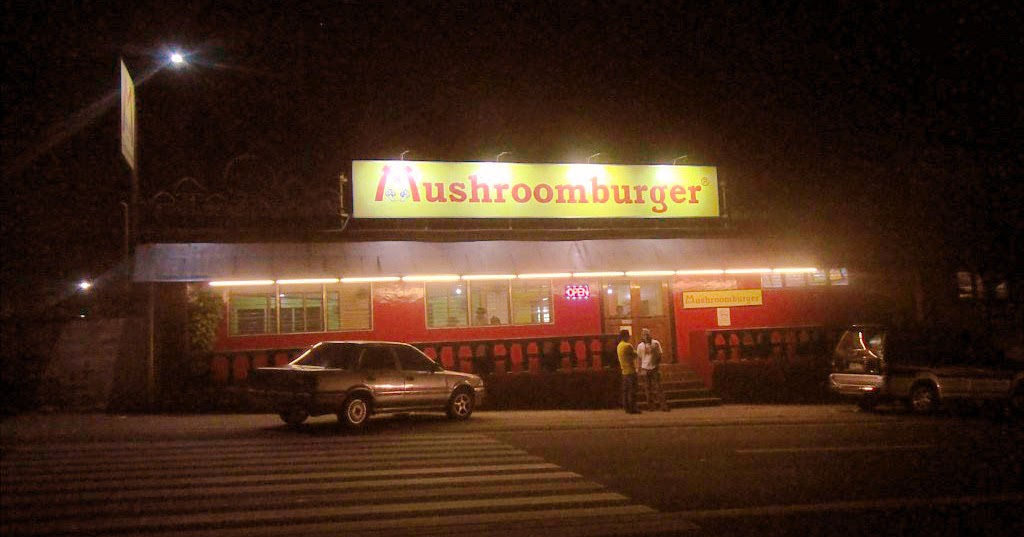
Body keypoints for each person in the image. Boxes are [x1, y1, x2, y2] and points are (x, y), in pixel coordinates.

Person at [636, 328, 670, 411]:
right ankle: (651, 406)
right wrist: (638, 368)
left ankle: (663, 406)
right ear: (642, 336)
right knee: (648, 388)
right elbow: (639, 358)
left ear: (650, 334)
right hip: (645, 368)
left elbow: (660, 355)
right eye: (644, 334)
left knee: (659, 387)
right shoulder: (640, 346)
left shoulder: (655, 343)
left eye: (647, 334)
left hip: (654, 368)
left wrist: (657, 364)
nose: (646, 336)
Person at [616, 329, 640, 414]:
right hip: (631, 371)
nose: (629, 337)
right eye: (628, 335)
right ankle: (632, 408)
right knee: (632, 391)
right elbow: (635, 355)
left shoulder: (619, 346)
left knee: (625, 391)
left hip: (624, 371)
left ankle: (626, 407)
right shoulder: (628, 346)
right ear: (625, 336)